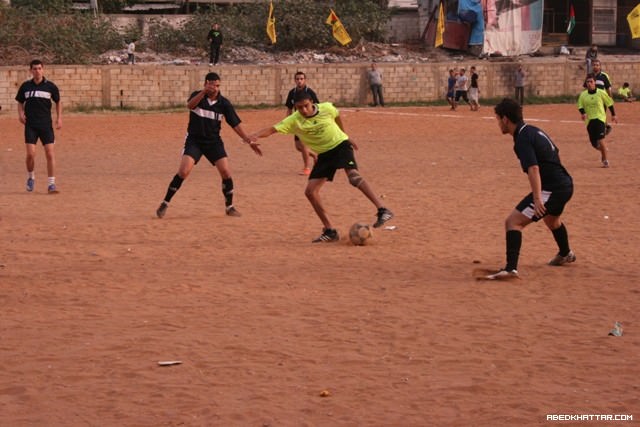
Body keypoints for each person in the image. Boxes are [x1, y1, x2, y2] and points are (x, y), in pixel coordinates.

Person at [250, 91, 394, 243]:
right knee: (310, 192)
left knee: (353, 177)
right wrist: (254, 136)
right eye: (299, 108)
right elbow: (272, 129)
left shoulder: (326, 108)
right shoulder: (294, 120)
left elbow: (336, 116)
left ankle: (382, 209)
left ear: (312, 102)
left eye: (306, 106)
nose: (304, 110)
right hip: (324, 154)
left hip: (340, 145)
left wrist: (345, 135)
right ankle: (330, 230)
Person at [484, 98, 575, 280]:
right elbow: (554, 152)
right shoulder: (532, 130)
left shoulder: (522, 139)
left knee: (513, 222)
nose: (498, 124)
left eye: (497, 119)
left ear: (505, 119)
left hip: (553, 188)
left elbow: (534, 168)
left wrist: (537, 198)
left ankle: (511, 269)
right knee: (552, 220)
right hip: (564, 183)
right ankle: (565, 254)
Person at [156, 72, 261, 219]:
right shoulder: (197, 96)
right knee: (184, 171)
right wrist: (203, 92)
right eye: (212, 85)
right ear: (206, 83)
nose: (215, 88)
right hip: (195, 140)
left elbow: (235, 124)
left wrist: (248, 140)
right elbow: (190, 105)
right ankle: (165, 203)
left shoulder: (224, 103)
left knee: (225, 172)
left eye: (217, 85)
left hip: (213, 141)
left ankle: (229, 207)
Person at [15, 59, 62, 194]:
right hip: (31, 125)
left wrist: (59, 118)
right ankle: (31, 177)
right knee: (30, 154)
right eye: (34, 69)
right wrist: (21, 114)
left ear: (43, 69)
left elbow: (58, 102)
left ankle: (51, 184)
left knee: (49, 153)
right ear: (31, 71)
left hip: (46, 125)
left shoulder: (50, 86)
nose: (37, 71)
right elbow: (19, 102)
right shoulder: (25, 86)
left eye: (39, 68)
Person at [577, 75, 617, 168]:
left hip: (599, 119)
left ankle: (605, 160)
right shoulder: (583, 95)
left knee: (601, 139)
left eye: (591, 82)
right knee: (594, 144)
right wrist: (583, 113)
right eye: (588, 82)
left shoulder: (601, 92)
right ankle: (604, 150)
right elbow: (580, 106)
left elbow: (609, 103)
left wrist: (613, 115)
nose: (590, 84)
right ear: (586, 84)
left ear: (595, 82)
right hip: (589, 121)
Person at [285, 71, 320, 175]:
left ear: (305, 80)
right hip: (297, 122)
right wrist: (288, 121)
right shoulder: (292, 92)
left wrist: (315, 121)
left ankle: (306, 168)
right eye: (297, 79)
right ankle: (314, 156)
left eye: (301, 79)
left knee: (303, 145)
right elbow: (289, 108)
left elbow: (318, 106)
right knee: (298, 147)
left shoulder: (310, 92)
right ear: (294, 80)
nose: (299, 81)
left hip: (307, 122)